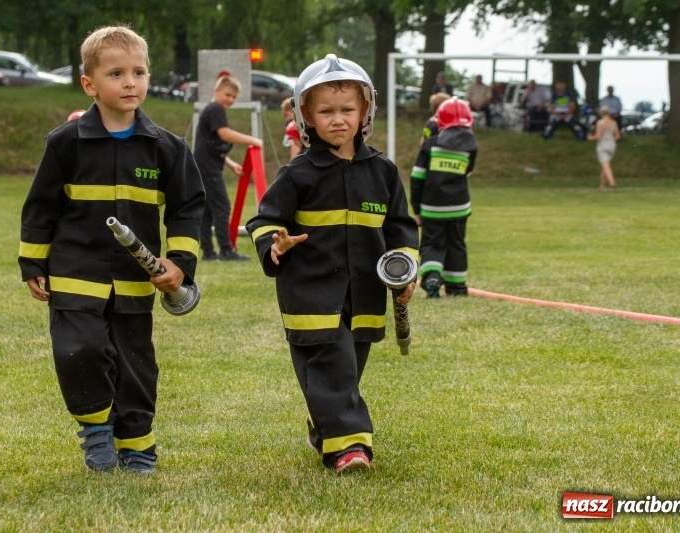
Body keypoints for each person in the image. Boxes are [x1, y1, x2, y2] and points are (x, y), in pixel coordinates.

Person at [17, 25, 205, 474]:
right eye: (116, 73)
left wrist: (180, 264)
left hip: (135, 282)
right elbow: (40, 206)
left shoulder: (168, 149)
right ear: (90, 84)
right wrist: (32, 261)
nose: (129, 82)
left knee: (136, 365)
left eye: (138, 72)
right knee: (78, 350)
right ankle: (96, 428)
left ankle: (138, 445)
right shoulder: (63, 144)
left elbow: (187, 208)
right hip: (74, 272)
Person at [245, 54, 419, 473]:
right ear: (306, 115)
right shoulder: (297, 174)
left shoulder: (383, 172)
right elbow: (264, 220)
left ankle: (326, 422)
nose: (337, 119)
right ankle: (350, 447)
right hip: (309, 291)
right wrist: (275, 244)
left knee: (349, 366)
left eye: (347, 110)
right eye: (326, 111)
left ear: (365, 112)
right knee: (332, 361)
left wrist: (405, 267)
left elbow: (401, 228)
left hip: (364, 293)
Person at [410, 97, 477, 298]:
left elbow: (417, 177)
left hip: (432, 207)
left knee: (432, 243)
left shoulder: (430, 145)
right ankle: (457, 287)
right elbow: (467, 172)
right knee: (457, 243)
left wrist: (417, 209)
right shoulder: (471, 147)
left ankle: (431, 277)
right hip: (459, 206)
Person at [194, 75, 264, 261]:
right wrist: (253, 140)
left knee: (208, 210)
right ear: (216, 91)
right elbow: (225, 135)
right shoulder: (215, 108)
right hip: (207, 168)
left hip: (203, 164)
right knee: (222, 207)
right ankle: (226, 250)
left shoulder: (211, 110)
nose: (231, 99)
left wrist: (231, 164)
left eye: (234, 97)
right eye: (228, 95)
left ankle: (208, 252)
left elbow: (211, 145)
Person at [587, 105, 621, 190]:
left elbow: (598, 136)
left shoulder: (600, 123)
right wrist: (610, 138)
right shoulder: (614, 123)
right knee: (605, 165)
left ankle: (612, 181)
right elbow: (617, 137)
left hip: (603, 144)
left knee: (606, 166)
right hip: (612, 144)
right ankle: (602, 185)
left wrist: (591, 138)